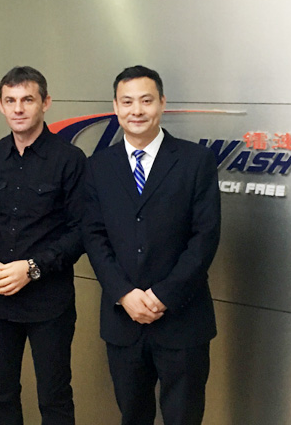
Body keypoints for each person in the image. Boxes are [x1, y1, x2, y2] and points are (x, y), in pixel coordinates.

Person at [82, 65, 221, 425]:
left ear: (162, 103)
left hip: (182, 318)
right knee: (133, 415)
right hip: (123, 319)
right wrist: (124, 293)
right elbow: (94, 237)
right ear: (115, 107)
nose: (137, 110)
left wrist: (163, 295)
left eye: (146, 101)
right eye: (127, 102)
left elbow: (205, 237)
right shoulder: (98, 166)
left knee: (184, 417)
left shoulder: (196, 161)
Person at [0, 66, 86, 425]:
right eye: (11, 100)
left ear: (45, 103)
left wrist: (32, 268)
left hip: (50, 302)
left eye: (27, 100)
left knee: (54, 398)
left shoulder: (70, 160)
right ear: (0, 105)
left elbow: (81, 232)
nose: (18, 108)